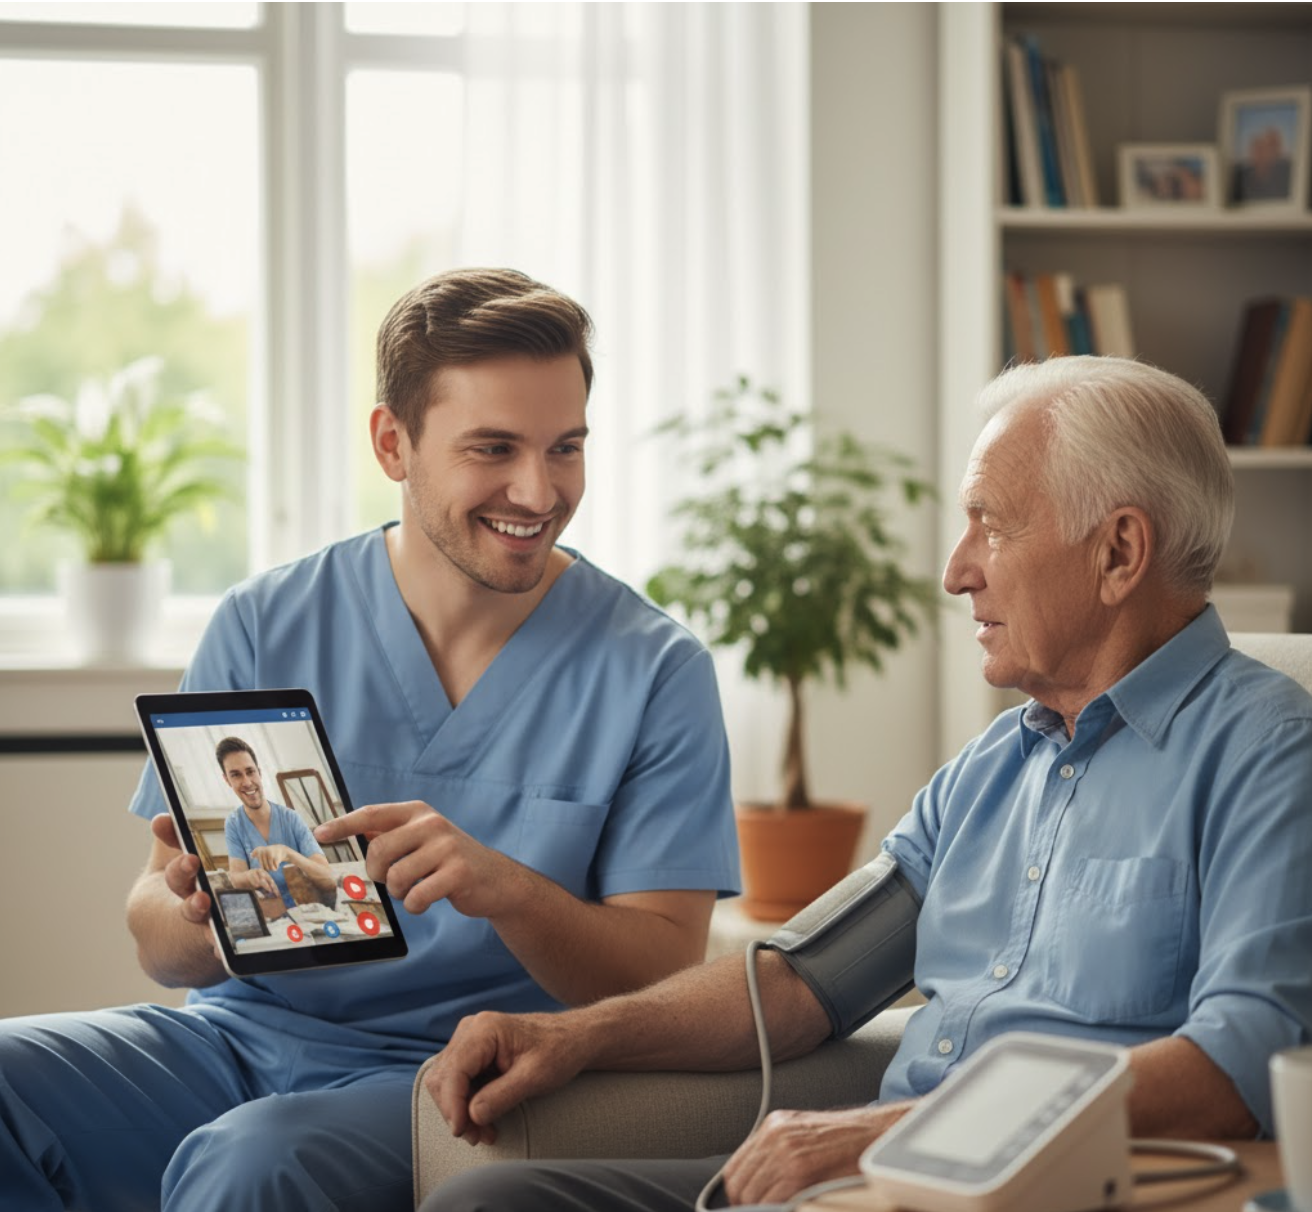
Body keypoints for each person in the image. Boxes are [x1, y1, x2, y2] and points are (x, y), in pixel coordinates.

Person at [421, 355, 1312, 1212]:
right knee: (488, 1200)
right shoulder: (993, 768)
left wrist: (887, 1134)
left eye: (991, 525)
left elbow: (1243, 1060)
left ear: (1119, 551)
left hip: (1032, 1188)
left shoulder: (1269, 754)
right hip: (867, 1181)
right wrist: (569, 1036)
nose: (956, 571)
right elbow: (798, 982)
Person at [0, 268, 740, 1212]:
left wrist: (507, 890)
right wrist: (210, 920)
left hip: (456, 1079)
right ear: (394, 443)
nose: (538, 489)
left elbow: (663, 970)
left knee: (255, 1162)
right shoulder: (266, 622)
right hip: (234, 1038)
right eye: (494, 448)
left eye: (566, 448)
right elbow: (152, 919)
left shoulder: (654, 670)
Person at [216, 735, 337, 910]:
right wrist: (250, 876)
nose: (247, 782)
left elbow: (328, 879)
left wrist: (288, 854)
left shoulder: (291, 818)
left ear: (259, 772)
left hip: (310, 907)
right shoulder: (234, 823)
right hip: (273, 912)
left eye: (250, 771)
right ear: (227, 780)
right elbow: (236, 877)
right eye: (236, 775)